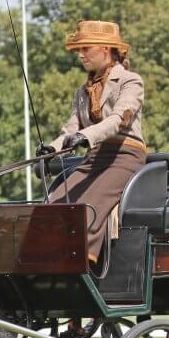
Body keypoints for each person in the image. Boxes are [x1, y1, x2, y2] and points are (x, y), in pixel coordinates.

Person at [40, 20, 146, 262]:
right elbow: (69, 130)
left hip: (125, 157)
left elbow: (120, 118)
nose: (81, 55)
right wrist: (52, 149)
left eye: (86, 48)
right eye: (79, 49)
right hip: (94, 158)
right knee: (53, 205)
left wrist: (85, 136)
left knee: (87, 209)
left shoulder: (131, 81)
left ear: (106, 49)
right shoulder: (83, 91)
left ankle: (81, 263)